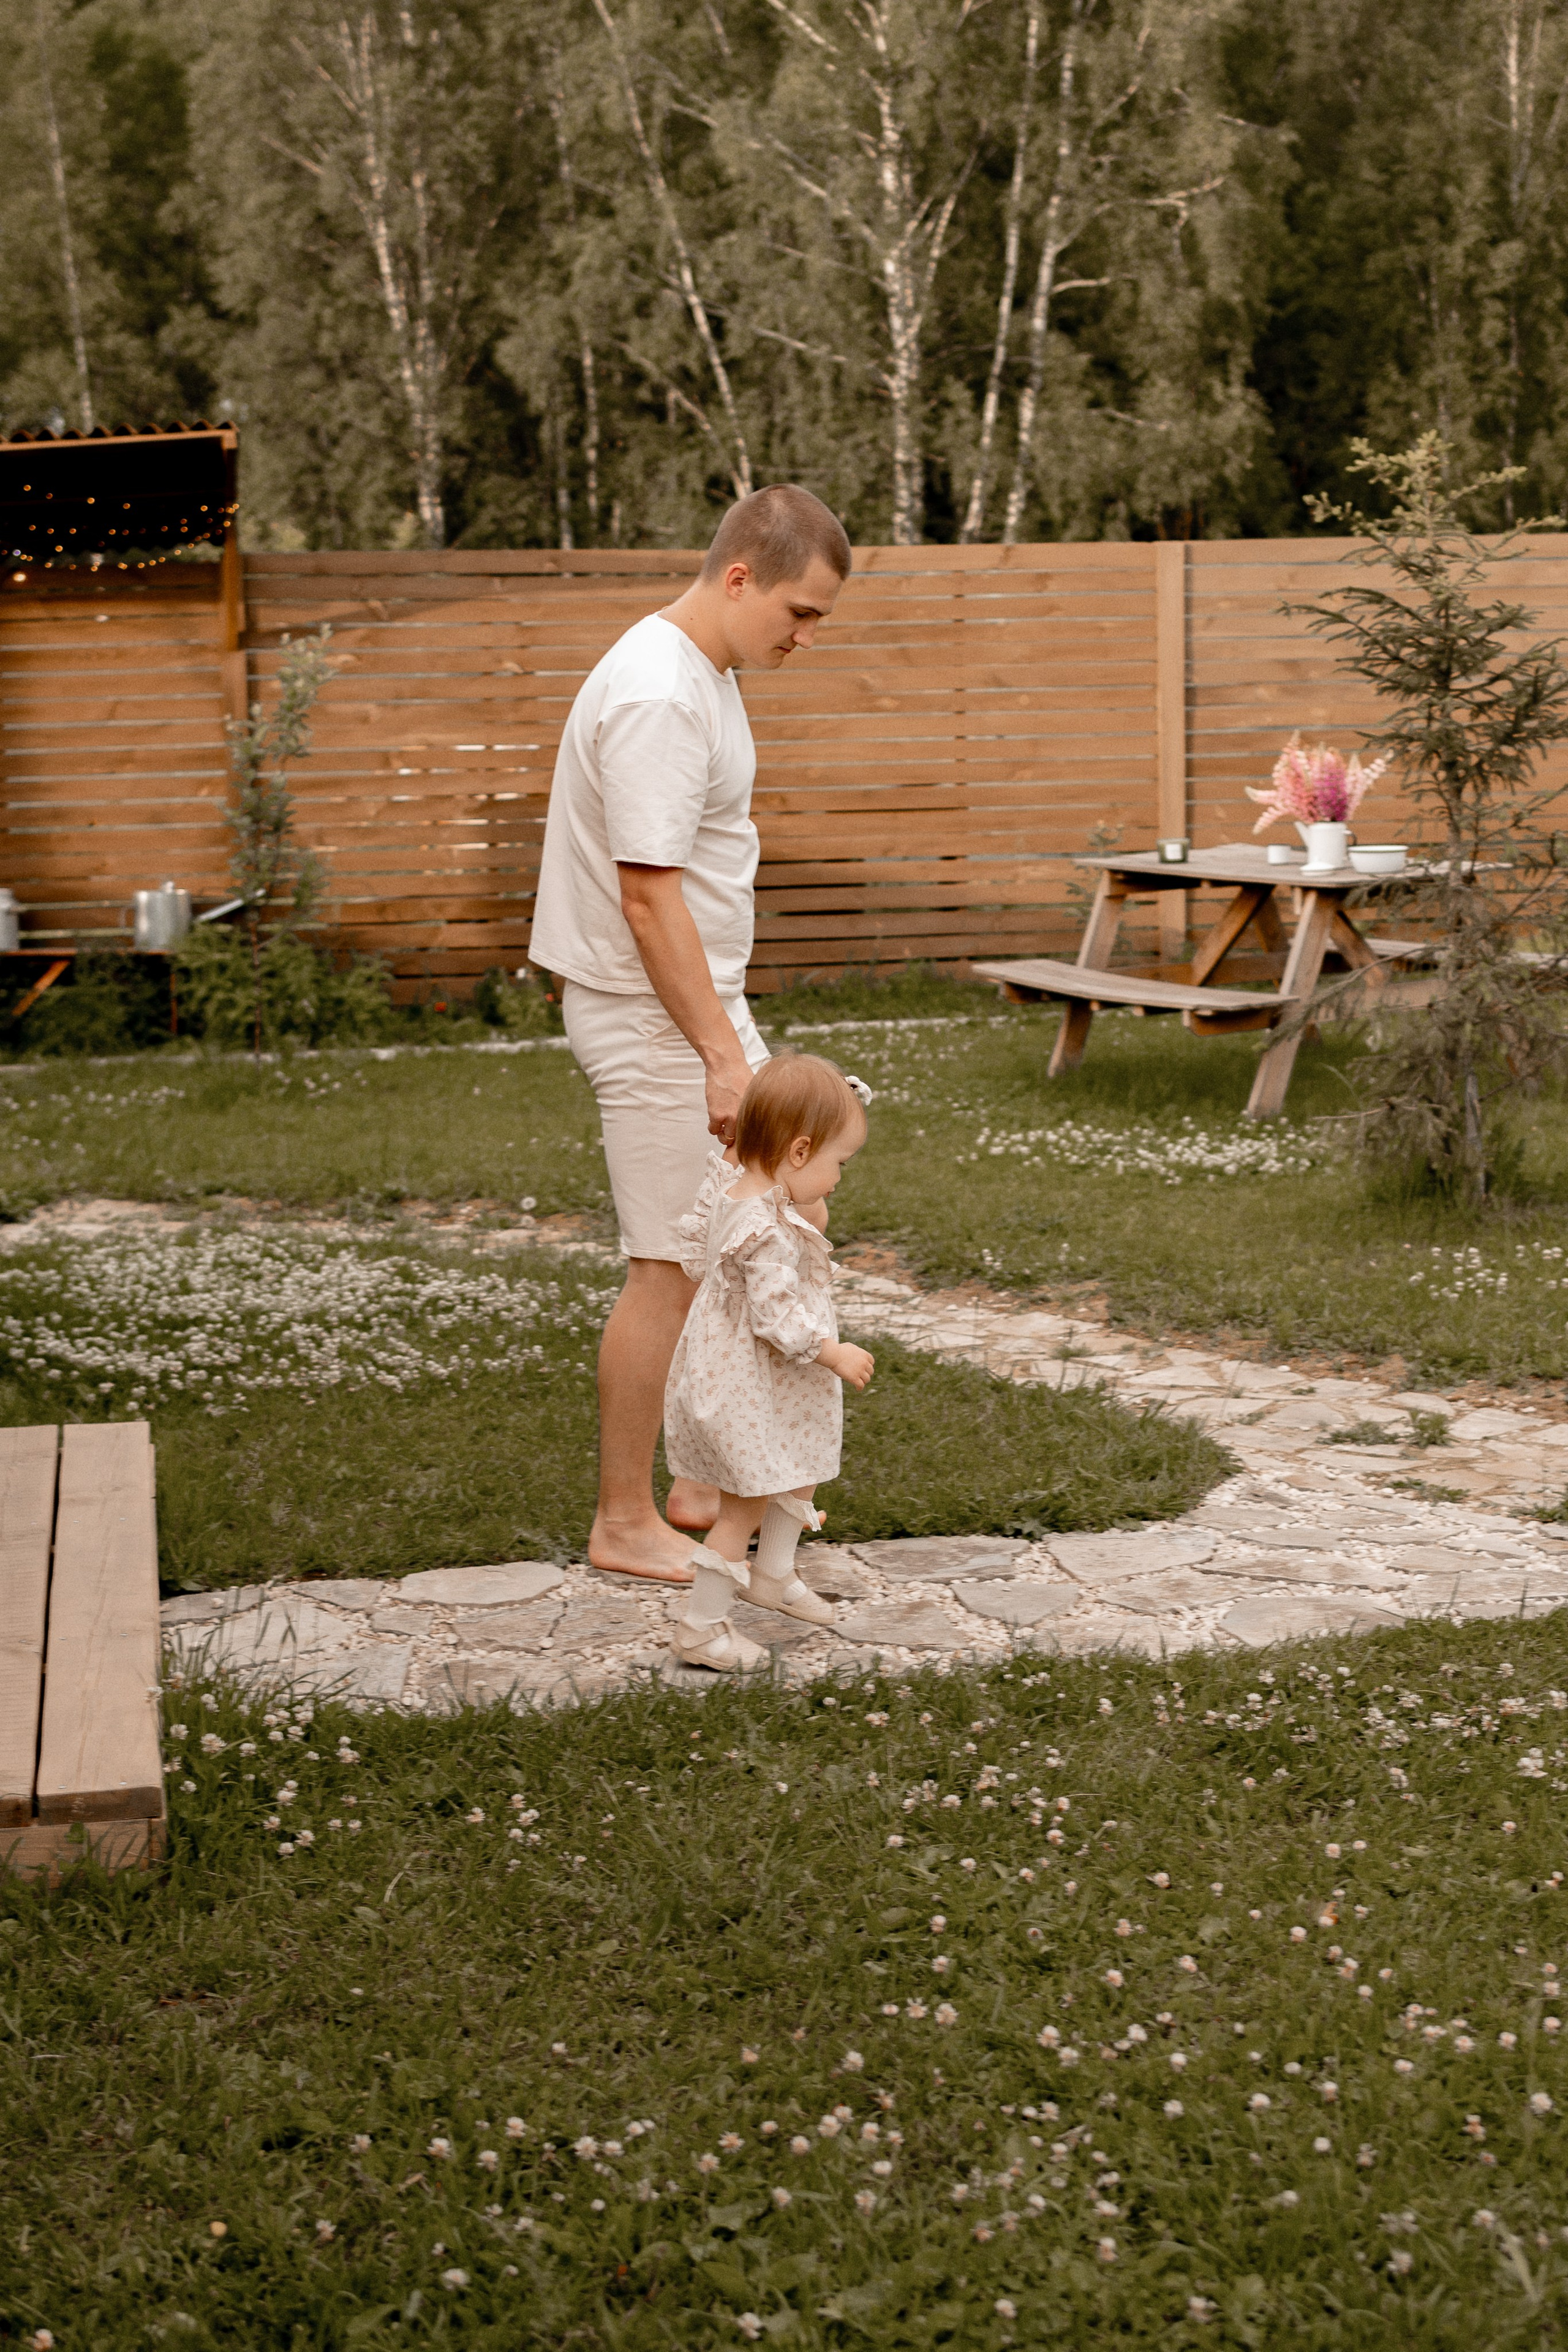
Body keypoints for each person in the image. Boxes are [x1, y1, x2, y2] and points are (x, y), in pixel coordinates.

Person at [529, 484, 853, 1583]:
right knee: (670, 1266)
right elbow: (649, 899)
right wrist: (721, 1055)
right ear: (738, 577)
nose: (805, 637)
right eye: (800, 613)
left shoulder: (701, 672)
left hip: (699, 1004)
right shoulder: (661, 693)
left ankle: (709, 1490)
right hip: (655, 1015)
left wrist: (726, 1032)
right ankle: (625, 1520)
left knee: (755, 1241)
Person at [663, 1054, 875, 1670]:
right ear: (801, 1151)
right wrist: (832, 1351)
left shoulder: (737, 1189)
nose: (838, 1178)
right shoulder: (762, 1228)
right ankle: (701, 1627)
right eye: (839, 1164)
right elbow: (777, 1318)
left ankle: (775, 1574)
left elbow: (698, 1251)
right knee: (743, 1505)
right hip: (748, 1382)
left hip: (761, 1378)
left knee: (800, 1459)